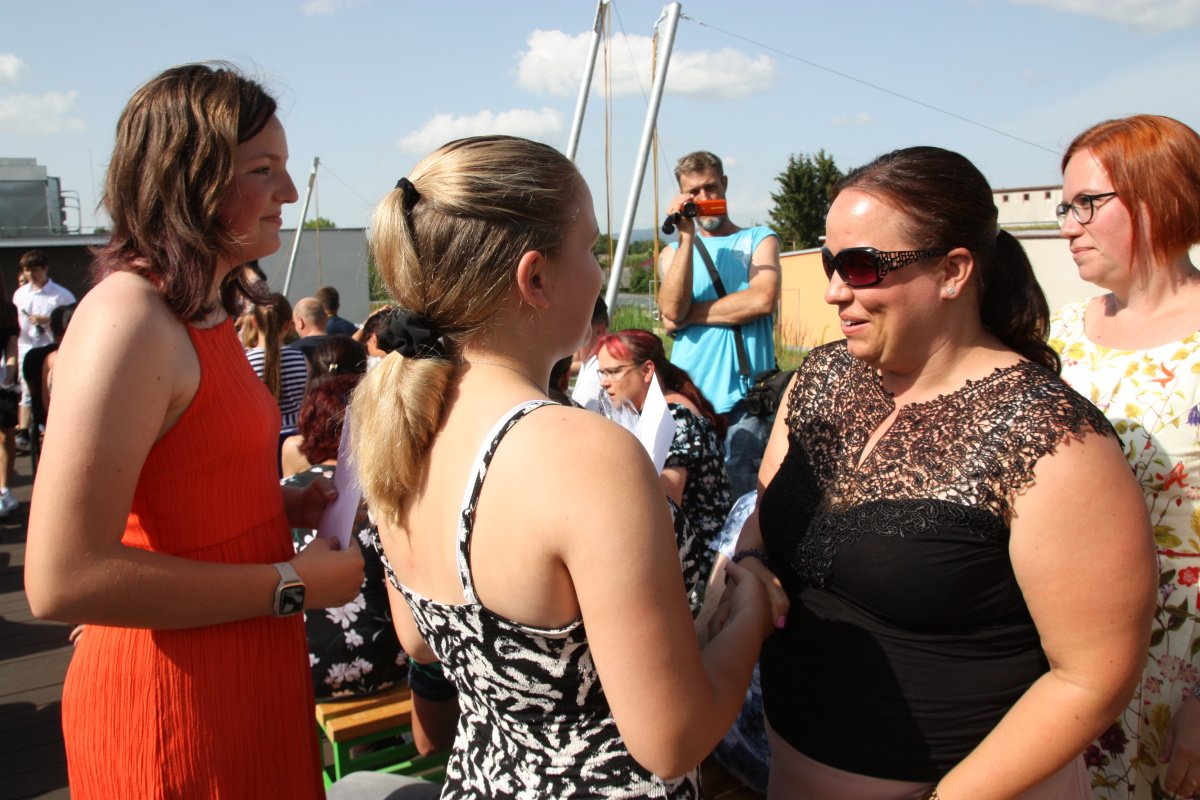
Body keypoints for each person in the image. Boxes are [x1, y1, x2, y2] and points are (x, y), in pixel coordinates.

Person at [349, 135, 777, 798]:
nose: (600, 271)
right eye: (591, 248)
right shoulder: (583, 455)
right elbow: (671, 738)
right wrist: (750, 609)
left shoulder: (399, 427)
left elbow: (420, 641)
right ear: (536, 278)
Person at [727, 145, 1156, 799]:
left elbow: (1093, 676)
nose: (835, 290)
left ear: (954, 271)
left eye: (861, 266)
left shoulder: (1051, 438)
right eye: (830, 264)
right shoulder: (821, 376)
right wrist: (753, 563)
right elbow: (765, 518)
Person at [23, 62, 363, 798]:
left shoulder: (200, 310)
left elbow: (181, 487)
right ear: (190, 180)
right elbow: (62, 578)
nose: (290, 192)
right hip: (175, 706)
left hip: (242, 682)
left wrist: (285, 502)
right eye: (263, 170)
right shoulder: (129, 319)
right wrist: (290, 587)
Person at [1047, 114, 1200, 800]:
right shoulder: (1056, 340)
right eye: (1066, 207)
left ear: (1159, 196)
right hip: (1063, 651)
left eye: (1088, 203)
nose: (1068, 226)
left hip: (1180, 654)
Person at [657, 151, 781, 498]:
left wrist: (689, 316)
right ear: (683, 196)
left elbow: (761, 299)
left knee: (744, 504)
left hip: (746, 401)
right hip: (691, 400)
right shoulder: (673, 254)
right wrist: (685, 238)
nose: (704, 197)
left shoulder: (758, 239)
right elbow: (670, 307)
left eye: (711, 187)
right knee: (692, 505)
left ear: (724, 184)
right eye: (693, 192)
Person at [596, 327, 732, 590]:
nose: (604, 382)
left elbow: (667, 501)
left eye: (613, 371)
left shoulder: (673, 417)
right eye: (602, 373)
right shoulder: (659, 411)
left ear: (647, 370)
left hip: (697, 565)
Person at [13, 249, 76, 452]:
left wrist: (47, 320)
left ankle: (49, 427)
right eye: (27, 270)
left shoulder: (61, 295)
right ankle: (25, 430)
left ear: (45, 269)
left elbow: (70, 319)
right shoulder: (20, 294)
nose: (31, 275)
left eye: (35, 270)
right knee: (27, 390)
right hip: (27, 348)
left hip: (51, 348)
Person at [245, 291, 310, 449]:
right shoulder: (301, 359)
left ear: (254, 322)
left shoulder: (246, 362)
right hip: (296, 440)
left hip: (260, 439)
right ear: (287, 325)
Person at [0, 271, 19, 516]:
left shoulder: (7, 310)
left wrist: (12, 367)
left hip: (2, 381)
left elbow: (11, 343)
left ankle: (4, 489)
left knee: (6, 435)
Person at [292, 295, 331, 364]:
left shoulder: (293, 351)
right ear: (326, 318)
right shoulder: (344, 347)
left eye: (294, 323)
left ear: (300, 322)